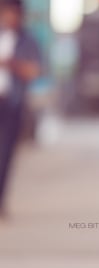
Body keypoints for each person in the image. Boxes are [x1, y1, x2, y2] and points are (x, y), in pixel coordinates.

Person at [0, 0, 41, 215]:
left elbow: (35, 71)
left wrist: (12, 63)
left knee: (5, 154)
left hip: (11, 102)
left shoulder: (27, 40)